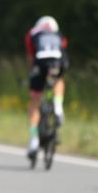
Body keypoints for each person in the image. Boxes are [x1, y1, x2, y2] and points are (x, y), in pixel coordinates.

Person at [25, 15, 68, 162]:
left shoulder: (32, 33)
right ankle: (57, 106)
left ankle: (33, 139)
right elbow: (63, 50)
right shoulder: (57, 33)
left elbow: (31, 57)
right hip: (56, 62)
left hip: (39, 63)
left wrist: (33, 74)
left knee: (35, 100)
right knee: (59, 80)